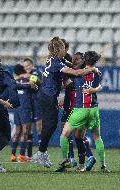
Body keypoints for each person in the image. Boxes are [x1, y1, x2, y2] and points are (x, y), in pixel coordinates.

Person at [32, 37, 97, 167]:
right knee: (51, 125)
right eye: (63, 48)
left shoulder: (56, 60)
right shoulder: (56, 62)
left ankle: (42, 152)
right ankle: (41, 153)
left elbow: (71, 66)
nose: (66, 51)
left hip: (46, 95)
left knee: (50, 125)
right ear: (59, 49)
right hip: (47, 96)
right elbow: (75, 72)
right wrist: (91, 69)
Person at [56, 51, 109, 173]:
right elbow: (100, 86)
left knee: (64, 135)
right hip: (94, 109)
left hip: (80, 108)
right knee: (96, 137)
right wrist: (94, 89)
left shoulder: (78, 74)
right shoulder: (97, 72)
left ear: (84, 59)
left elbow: (71, 74)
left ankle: (66, 160)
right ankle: (103, 165)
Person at [60, 52, 95, 170]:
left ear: (83, 60)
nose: (74, 61)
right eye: (73, 59)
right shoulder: (74, 72)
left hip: (79, 108)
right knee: (78, 137)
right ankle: (80, 163)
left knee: (67, 135)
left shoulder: (82, 73)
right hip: (72, 107)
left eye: (77, 59)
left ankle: (70, 160)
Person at [10, 64, 37, 162]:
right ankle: (21, 155)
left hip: (17, 108)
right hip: (25, 108)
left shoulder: (15, 80)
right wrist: (28, 75)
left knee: (18, 132)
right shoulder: (27, 79)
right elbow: (34, 83)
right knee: (26, 132)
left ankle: (12, 155)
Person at [22, 57, 42, 157]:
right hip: (27, 104)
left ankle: (42, 152)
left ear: (32, 65)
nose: (27, 68)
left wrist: (27, 76)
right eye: (25, 66)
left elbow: (33, 82)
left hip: (37, 103)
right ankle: (28, 155)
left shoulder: (36, 72)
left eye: (28, 65)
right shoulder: (22, 75)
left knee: (39, 127)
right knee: (28, 129)